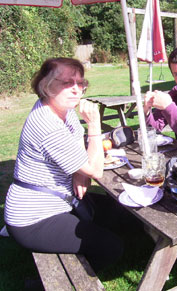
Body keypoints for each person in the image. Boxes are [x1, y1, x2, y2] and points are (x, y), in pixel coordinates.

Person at [4, 58, 123, 271]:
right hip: (34, 219)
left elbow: (78, 141)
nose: (76, 89)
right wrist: (94, 125)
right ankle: (47, 284)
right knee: (111, 247)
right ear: (45, 86)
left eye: (80, 83)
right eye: (67, 83)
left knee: (120, 212)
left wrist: (79, 173)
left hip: (62, 198)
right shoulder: (47, 124)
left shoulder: (61, 109)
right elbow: (96, 170)